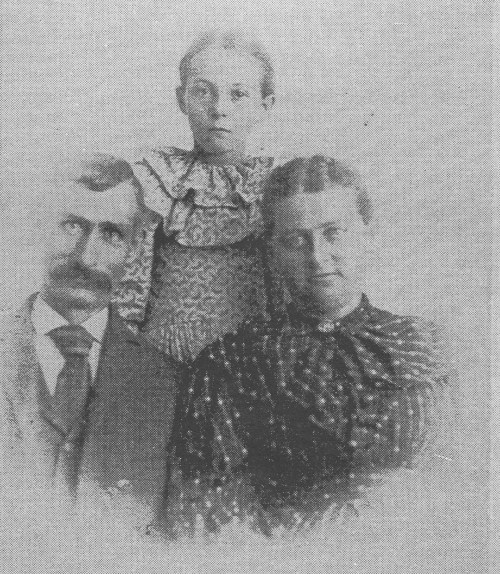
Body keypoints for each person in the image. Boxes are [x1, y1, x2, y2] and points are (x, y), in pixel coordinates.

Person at [175, 155, 451, 534]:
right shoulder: (229, 362)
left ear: (367, 233)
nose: (317, 257)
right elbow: (206, 509)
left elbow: (462, 477)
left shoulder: (426, 345)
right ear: (272, 251)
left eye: (333, 234)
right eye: (295, 241)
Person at [0, 154, 181, 515]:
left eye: (112, 234)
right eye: (71, 226)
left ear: (134, 249)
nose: (86, 256)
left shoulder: (169, 383)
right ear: (38, 228)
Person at [113, 30, 275, 361]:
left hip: (253, 360)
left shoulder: (274, 187)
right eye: (202, 91)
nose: (219, 109)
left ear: (264, 105)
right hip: (162, 359)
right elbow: (128, 288)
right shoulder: (156, 179)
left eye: (238, 94)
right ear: (181, 99)